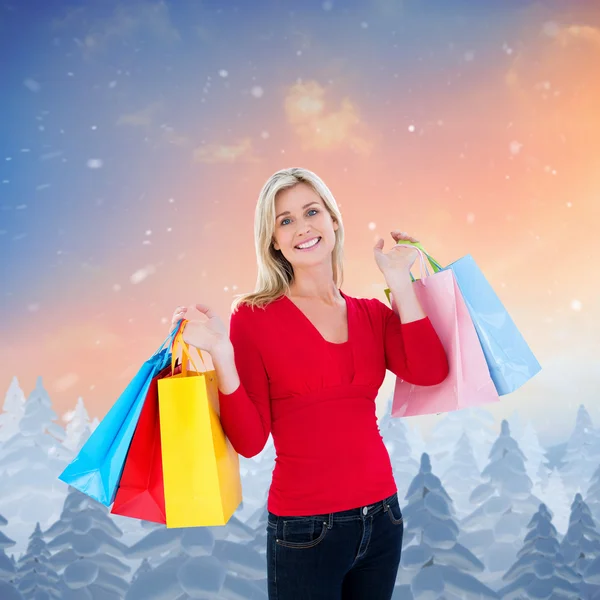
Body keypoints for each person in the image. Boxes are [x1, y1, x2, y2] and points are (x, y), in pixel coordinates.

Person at [170, 167, 449, 600]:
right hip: (303, 531)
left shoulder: (371, 315)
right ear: (274, 241)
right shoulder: (254, 316)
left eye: (312, 211)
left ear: (333, 221)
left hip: (383, 519)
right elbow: (249, 440)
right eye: (285, 220)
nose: (302, 227)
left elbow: (431, 371)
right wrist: (222, 355)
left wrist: (400, 281)